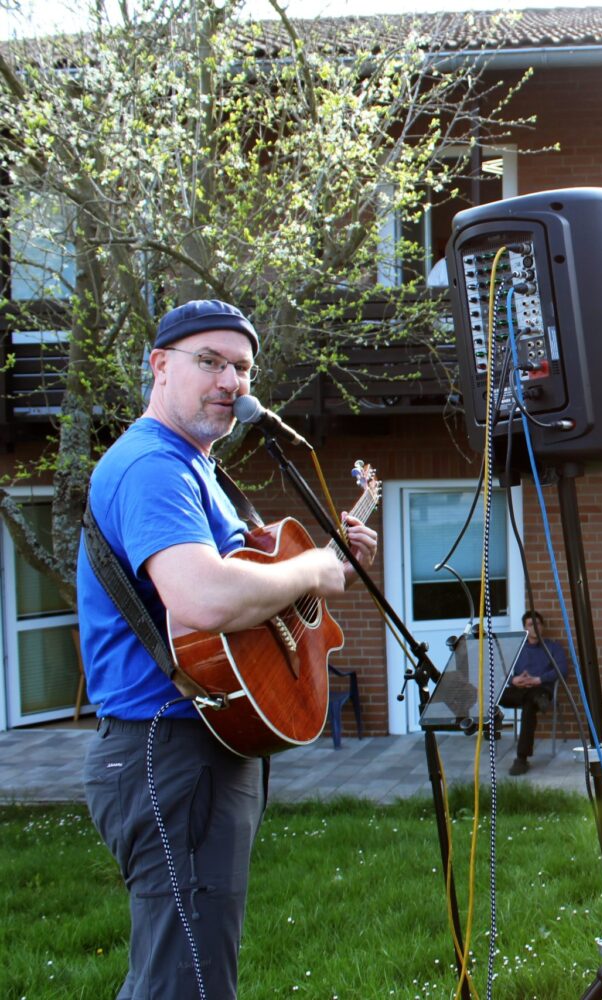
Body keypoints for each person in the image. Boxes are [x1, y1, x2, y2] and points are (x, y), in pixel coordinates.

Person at [77, 299, 378, 999]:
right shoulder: (154, 467)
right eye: (208, 361)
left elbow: (240, 609)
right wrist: (313, 571)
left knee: (189, 969)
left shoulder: (197, 470)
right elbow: (205, 597)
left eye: (241, 367)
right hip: (169, 746)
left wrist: (324, 565)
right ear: (159, 366)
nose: (229, 381)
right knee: (185, 980)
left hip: (206, 738)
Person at [498, 609, 569, 775]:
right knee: (495, 694)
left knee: (529, 705)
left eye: (537, 623)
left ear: (542, 627)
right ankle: (537, 698)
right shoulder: (518, 648)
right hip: (519, 690)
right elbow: (501, 670)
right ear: (525, 628)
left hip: (542, 687)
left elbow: (562, 671)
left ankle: (521, 759)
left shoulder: (553, 647)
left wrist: (538, 679)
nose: (535, 627)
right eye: (531, 624)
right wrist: (513, 680)